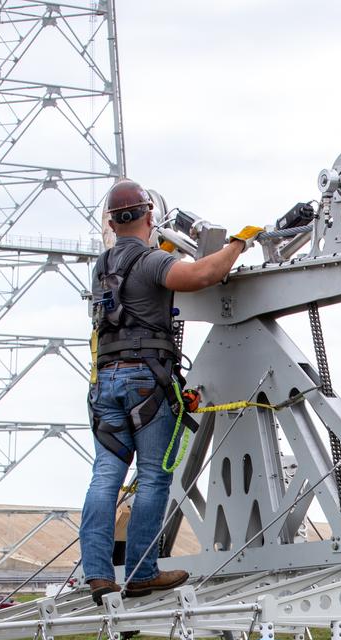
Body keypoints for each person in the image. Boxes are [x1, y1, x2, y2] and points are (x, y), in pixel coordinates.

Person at [80, 179, 260, 604]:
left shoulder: (102, 267)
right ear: (148, 217)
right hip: (146, 382)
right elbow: (203, 274)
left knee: (105, 476)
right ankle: (142, 572)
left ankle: (97, 573)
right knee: (154, 477)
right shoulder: (149, 262)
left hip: (105, 383)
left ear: (110, 220)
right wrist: (237, 244)